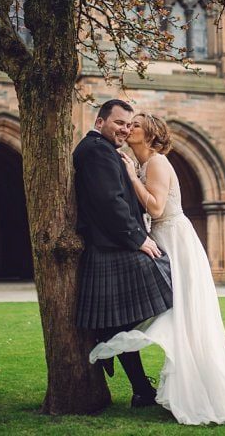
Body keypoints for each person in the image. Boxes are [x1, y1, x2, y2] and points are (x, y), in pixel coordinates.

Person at [89, 112, 225, 425]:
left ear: (150, 135)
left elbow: (155, 207)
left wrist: (131, 177)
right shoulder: (140, 164)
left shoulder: (156, 162)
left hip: (175, 239)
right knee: (172, 315)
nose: (129, 128)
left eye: (135, 125)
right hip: (162, 237)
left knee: (185, 314)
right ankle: (139, 367)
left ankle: (190, 387)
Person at [73, 99, 173, 408]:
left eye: (129, 125)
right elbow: (109, 202)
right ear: (100, 122)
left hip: (112, 248)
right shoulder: (97, 151)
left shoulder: (104, 151)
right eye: (119, 123)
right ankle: (110, 341)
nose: (125, 129)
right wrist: (138, 239)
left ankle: (118, 352)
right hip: (114, 247)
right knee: (173, 289)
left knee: (125, 323)